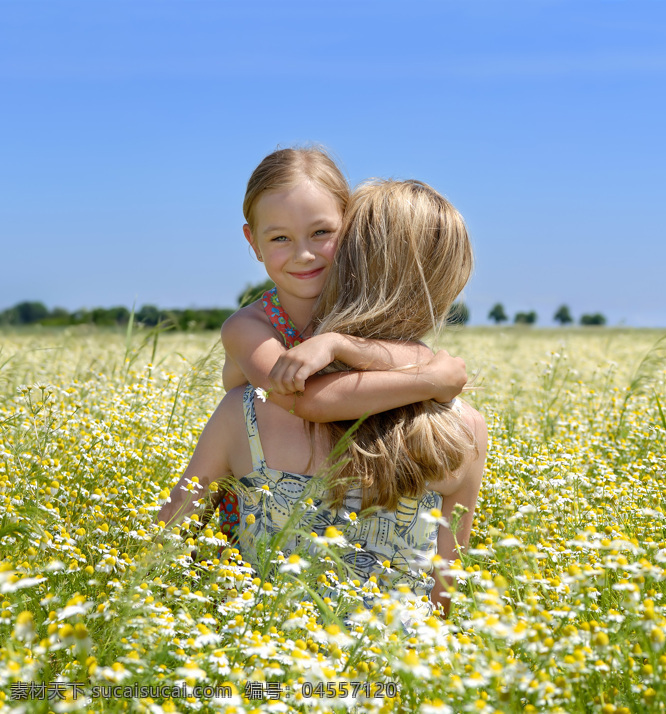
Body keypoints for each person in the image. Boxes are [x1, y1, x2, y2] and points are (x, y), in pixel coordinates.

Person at [158, 178, 487, 620]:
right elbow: (444, 595)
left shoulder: (247, 411)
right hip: (394, 677)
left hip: (269, 669)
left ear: (349, 261)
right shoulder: (467, 428)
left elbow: (166, 534)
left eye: (326, 235)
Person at [213, 147, 469, 548]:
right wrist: (432, 379)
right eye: (280, 237)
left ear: (349, 230)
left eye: (322, 233)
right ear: (253, 241)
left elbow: (408, 352)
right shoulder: (250, 327)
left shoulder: (347, 321)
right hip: (247, 507)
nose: (304, 254)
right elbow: (304, 401)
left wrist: (339, 343)